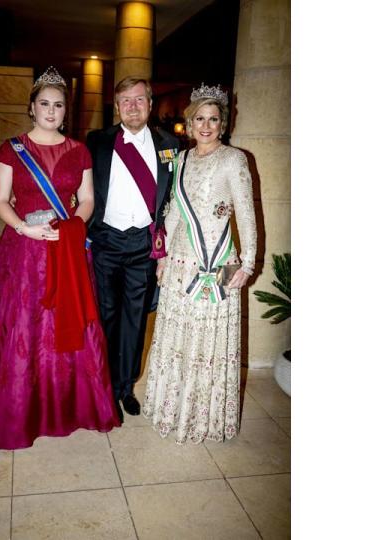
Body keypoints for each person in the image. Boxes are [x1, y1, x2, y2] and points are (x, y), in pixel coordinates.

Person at [0, 67, 120, 450]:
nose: (51, 111)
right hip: (23, 250)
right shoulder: (11, 149)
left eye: (59, 105)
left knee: (69, 322)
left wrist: (72, 227)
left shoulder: (78, 150)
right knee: (20, 328)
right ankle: (18, 407)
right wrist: (23, 228)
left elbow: (87, 201)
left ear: (66, 111)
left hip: (65, 249)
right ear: (32, 108)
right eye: (44, 104)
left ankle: (69, 405)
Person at [143, 83, 257, 444]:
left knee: (208, 337)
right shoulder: (182, 159)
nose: (205, 126)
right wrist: (161, 259)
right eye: (199, 119)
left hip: (219, 262)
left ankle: (203, 417)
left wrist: (248, 263)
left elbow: (248, 213)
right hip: (180, 262)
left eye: (213, 119)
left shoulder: (234, 159)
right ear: (189, 124)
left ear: (222, 123)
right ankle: (172, 408)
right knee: (179, 333)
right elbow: (175, 210)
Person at [87, 77, 180, 422]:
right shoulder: (97, 141)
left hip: (143, 244)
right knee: (106, 317)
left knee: (135, 319)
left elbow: (174, 198)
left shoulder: (170, 144)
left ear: (151, 103)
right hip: (106, 241)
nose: (132, 106)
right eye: (125, 100)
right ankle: (105, 387)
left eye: (139, 99)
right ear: (116, 106)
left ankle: (126, 387)